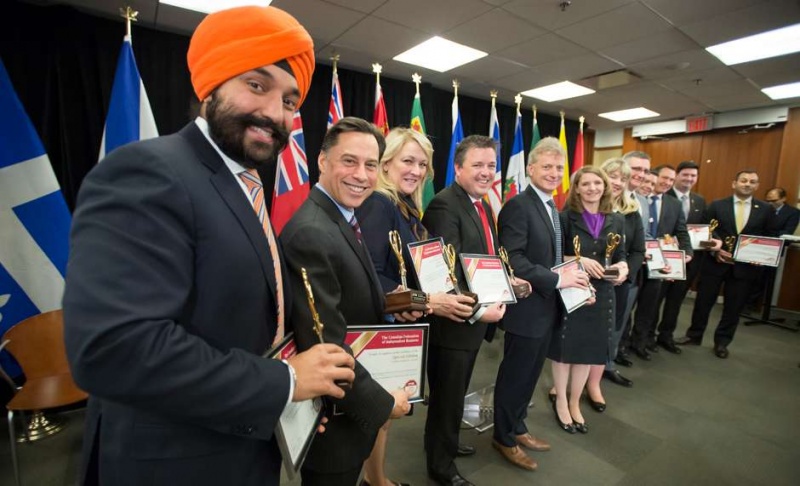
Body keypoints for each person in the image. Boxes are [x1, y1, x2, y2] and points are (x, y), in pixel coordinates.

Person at [62, 7, 356, 486]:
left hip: (242, 441)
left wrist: (288, 400)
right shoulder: (149, 171)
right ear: (211, 86)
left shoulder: (245, 183)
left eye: (289, 100)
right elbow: (113, 350)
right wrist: (284, 382)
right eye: (256, 85)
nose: (274, 113)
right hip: (172, 462)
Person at [280, 117, 416, 485]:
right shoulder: (312, 232)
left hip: (350, 405)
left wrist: (395, 304)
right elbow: (326, 347)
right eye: (349, 161)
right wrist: (383, 405)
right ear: (322, 161)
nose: (361, 175)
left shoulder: (341, 217)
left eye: (371, 165)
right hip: (335, 420)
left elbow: (350, 296)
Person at [356, 127, 475, 486]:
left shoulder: (404, 207)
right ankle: (375, 480)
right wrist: (428, 301)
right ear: (386, 164)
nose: (417, 171)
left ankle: (376, 479)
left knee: (384, 413)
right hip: (378, 328)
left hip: (397, 323)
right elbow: (370, 274)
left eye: (423, 164)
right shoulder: (380, 204)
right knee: (377, 412)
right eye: (408, 161)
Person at [492, 137, 590, 471]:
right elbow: (513, 259)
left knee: (531, 375)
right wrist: (559, 280)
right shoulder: (519, 206)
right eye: (547, 166)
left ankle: (517, 426)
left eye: (559, 168)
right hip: (526, 311)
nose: (554, 173)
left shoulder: (552, 208)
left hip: (547, 309)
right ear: (531, 169)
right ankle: (503, 438)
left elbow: (554, 259)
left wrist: (578, 283)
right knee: (515, 377)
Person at [422, 135, 509, 486]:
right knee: (446, 400)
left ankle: (448, 443)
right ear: (458, 168)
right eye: (478, 165)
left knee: (455, 395)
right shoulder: (444, 206)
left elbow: (483, 258)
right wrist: (476, 312)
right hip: (454, 324)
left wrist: (507, 281)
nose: (486, 172)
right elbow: (444, 274)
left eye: (491, 165)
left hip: (472, 322)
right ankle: (440, 467)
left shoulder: (482, 204)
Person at [549, 166, 627, 434]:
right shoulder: (564, 218)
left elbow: (621, 254)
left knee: (588, 351)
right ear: (577, 189)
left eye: (597, 183)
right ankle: (561, 400)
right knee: (565, 349)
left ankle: (574, 401)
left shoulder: (616, 219)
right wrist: (579, 259)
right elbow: (553, 255)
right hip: (573, 289)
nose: (592, 188)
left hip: (603, 292)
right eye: (586, 184)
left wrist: (623, 267)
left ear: (605, 187)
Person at [678, 170, 773, 359]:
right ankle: (694, 335)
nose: (747, 184)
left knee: (734, 307)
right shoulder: (717, 205)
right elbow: (706, 231)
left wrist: (762, 255)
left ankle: (722, 342)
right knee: (703, 302)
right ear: (734, 183)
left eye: (752, 181)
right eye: (743, 180)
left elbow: (769, 236)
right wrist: (715, 250)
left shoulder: (765, 209)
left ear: (757, 186)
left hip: (745, 267)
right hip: (714, 263)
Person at [629, 165, 693, 360]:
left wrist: (687, 253)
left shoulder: (674, 204)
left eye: (671, 180)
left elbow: (681, 231)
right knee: (627, 305)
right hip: (635, 262)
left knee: (649, 306)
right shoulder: (635, 199)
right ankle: (621, 346)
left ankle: (640, 343)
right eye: (663, 178)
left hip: (659, 263)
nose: (666, 183)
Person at [592, 158, 644, 393]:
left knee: (613, 328)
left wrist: (625, 271)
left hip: (620, 284)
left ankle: (606, 367)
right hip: (589, 282)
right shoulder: (586, 208)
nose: (617, 182)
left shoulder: (631, 213)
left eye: (623, 179)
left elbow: (638, 250)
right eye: (612, 176)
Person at [655, 161, 707, 353]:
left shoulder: (699, 200)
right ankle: (648, 336)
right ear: (677, 175)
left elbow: (703, 227)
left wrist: (712, 242)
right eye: (685, 174)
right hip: (663, 259)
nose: (689, 179)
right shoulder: (661, 193)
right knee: (655, 300)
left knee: (675, 301)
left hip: (686, 260)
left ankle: (666, 335)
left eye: (693, 175)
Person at [616, 151, 651, 364]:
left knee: (620, 323)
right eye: (636, 168)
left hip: (630, 275)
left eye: (645, 170)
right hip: (603, 275)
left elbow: (641, 242)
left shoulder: (643, 202)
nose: (641, 174)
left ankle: (611, 361)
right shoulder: (604, 196)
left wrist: (627, 271)